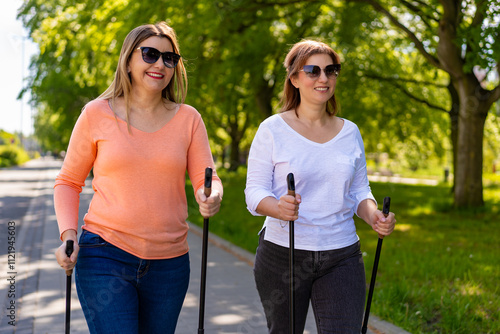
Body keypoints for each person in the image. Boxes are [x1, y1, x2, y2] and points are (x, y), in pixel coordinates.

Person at [54, 22, 223, 334]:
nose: (160, 64)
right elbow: (68, 181)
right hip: (105, 254)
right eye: (150, 54)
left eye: (169, 58)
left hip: (169, 265)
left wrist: (210, 195)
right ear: (128, 60)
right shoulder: (96, 114)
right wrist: (68, 235)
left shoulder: (189, 119)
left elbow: (206, 178)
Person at [245, 39, 396, 333]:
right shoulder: (272, 129)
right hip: (283, 255)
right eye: (313, 70)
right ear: (295, 78)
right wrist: (277, 207)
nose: (324, 78)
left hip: (341, 254)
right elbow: (254, 192)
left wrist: (374, 215)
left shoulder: (350, 132)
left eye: (331, 70)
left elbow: (359, 192)